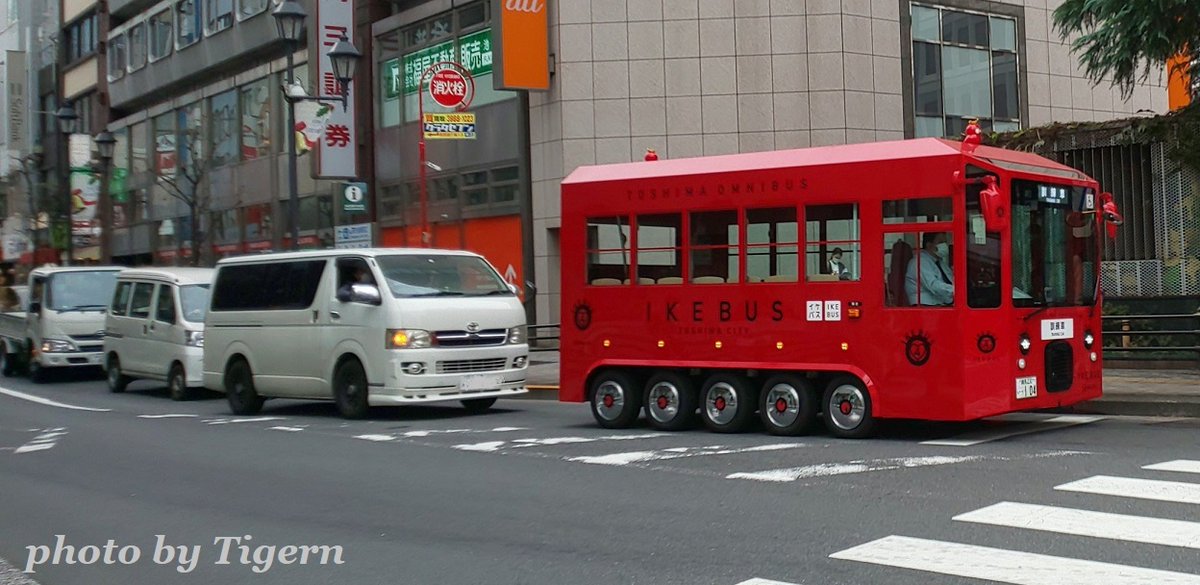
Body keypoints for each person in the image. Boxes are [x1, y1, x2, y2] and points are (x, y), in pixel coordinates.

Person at [905, 233, 954, 306]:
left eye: (945, 242)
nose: (944, 245)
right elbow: (933, 285)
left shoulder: (940, 262)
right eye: (940, 242)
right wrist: (956, 290)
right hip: (924, 307)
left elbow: (950, 279)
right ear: (929, 245)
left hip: (940, 304)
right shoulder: (920, 262)